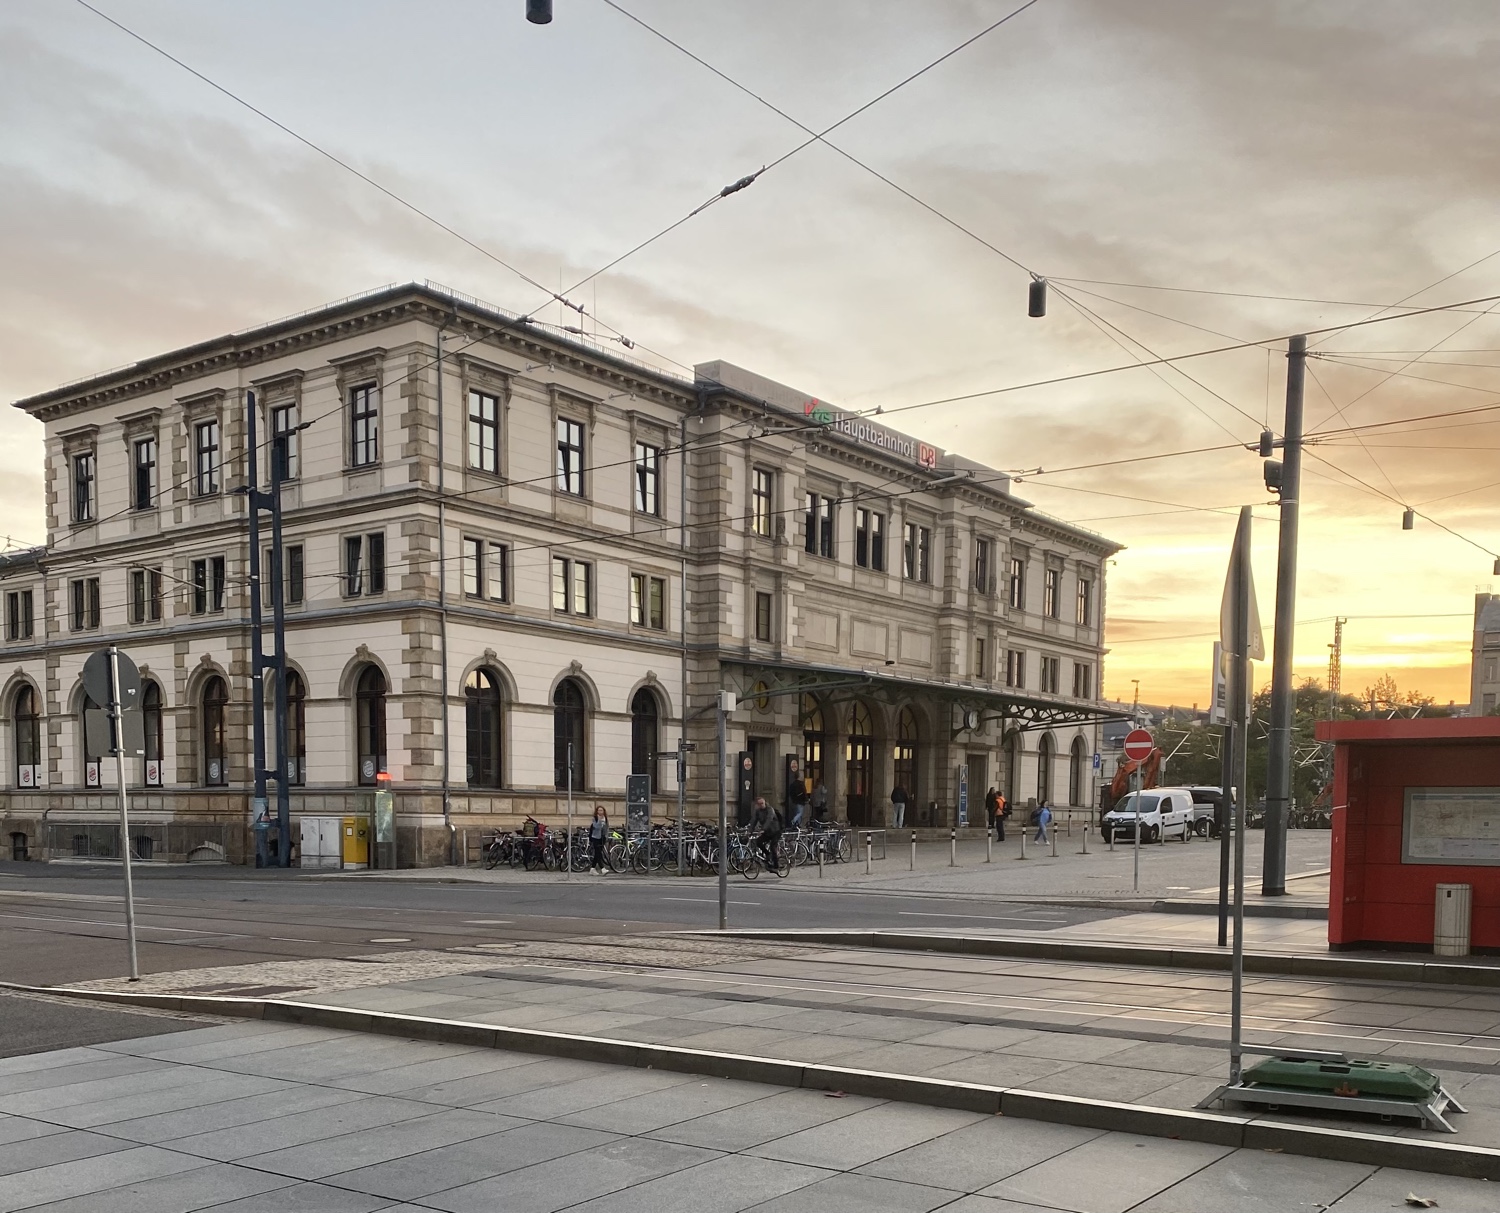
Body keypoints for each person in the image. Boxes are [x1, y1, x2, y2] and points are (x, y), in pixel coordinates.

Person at [747, 796, 782, 873]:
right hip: (767, 832)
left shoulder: (770, 809)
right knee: (758, 842)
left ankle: (776, 866)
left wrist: (763, 829)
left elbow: (769, 820)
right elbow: (754, 821)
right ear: (757, 805)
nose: (761, 805)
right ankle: (767, 854)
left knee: (773, 846)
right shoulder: (757, 811)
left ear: (765, 802)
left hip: (775, 831)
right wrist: (750, 831)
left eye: (762, 803)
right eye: (759, 804)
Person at [588, 805, 610, 874]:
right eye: (599, 810)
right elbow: (596, 827)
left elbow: (606, 827)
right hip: (595, 837)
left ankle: (592, 868)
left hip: (602, 838)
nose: (600, 812)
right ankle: (602, 868)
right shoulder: (595, 818)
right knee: (599, 853)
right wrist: (599, 820)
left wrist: (606, 836)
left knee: (597, 854)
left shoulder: (605, 818)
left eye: (601, 810)